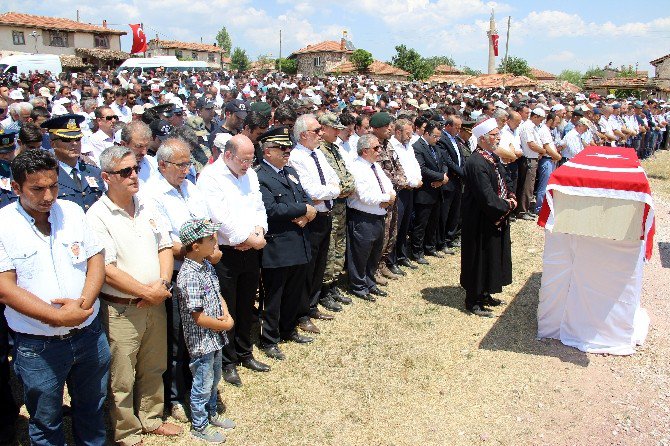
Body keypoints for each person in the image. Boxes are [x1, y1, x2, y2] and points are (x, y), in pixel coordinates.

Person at [0, 149, 110, 446]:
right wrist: (58, 317)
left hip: (88, 335)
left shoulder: (72, 211)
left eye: (53, 186)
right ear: (15, 188)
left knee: (92, 410)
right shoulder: (3, 224)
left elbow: (95, 258)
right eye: (37, 189)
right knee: (46, 421)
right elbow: (5, 287)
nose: (48, 196)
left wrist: (83, 304)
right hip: (39, 346)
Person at [86, 145, 180, 446]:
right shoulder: (97, 215)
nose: (133, 176)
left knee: (154, 365)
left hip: (155, 300)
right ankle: (125, 432)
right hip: (122, 308)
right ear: (106, 177)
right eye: (125, 172)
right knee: (121, 375)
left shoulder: (147, 205)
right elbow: (107, 269)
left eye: (135, 169)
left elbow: (165, 246)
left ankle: (151, 418)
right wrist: (145, 292)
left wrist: (162, 285)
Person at [145, 138, 218, 422]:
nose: (187, 169)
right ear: (162, 165)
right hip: (179, 272)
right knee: (178, 338)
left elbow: (207, 223)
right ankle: (175, 397)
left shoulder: (190, 188)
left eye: (189, 163)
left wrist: (211, 248)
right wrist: (205, 251)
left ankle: (198, 389)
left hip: (203, 267)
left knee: (200, 334)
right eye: (181, 164)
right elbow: (166, 241)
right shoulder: (153, 194)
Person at [197, 134, 269, 387]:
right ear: (227, 155)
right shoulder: (210, 177)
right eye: (243, 159)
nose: (248, 164)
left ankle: (244, 352)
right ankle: (227, 361)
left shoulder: (249, 174)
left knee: (247, 303)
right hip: (226, 253)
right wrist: (248, 237)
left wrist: (259, 232)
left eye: (251, 159)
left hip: (250, 248)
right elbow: (220, 217)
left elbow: (258, 206)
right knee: (227, 306)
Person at [255, 127, 316, 360]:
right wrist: (303, 209)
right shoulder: (261, 176)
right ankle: (269, 338)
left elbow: (306, 197)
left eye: (288, 147)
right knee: (274, 296)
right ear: (268, 151)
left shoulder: (289, 172)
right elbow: (270, 209)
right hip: (278, 246)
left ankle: (288, 329)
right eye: (282, 148)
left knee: (293, 292)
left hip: (298, 241)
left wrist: (308, 213)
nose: (287, 152)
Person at [176, 219, 236, 443]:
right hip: (202, 342)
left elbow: (217, 294)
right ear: (195, 246)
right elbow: (198, 317)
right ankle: (200, 425)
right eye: (211, 239)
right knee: (202, 382)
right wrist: (226, 325)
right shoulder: (189, 276)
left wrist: (226, 313)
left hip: (215, 337)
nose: (215, 241)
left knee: (214, 378)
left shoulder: (207, 266)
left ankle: (212, 413)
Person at [287, 114, 341, 334]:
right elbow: (310, 191)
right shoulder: (296, 157)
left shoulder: (318, 154)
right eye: (317, 131)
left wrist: (330, 191)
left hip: (325, 214)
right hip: (311, 219)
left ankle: (312, 305)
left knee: (320, 265)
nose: (321, 134)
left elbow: (335, 183)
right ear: (303, 135)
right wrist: (330, 191)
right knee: (307, 269)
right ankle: (302, 313)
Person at [460, 118, 516, 317]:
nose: (498, 138)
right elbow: (486, 196)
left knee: (491, 256)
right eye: (494, 135)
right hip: (480, 219)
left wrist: (511, 196)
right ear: (483, 139)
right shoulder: (476, 163)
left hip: (493, 218)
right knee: (478, 258)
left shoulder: (492, 157)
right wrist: (506, 206)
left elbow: (505, 179)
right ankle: (473, 299)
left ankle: (485, 292)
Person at [346, 134, 394, 301]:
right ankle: (358, 286)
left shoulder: (375, 166)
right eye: (376, 148)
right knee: (360, 254)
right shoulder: (357, 168)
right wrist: (386, 198)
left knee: (374, 253)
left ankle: (370, 282)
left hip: (378, 216)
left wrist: (389, 196)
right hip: (363, 217)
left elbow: (388, 185)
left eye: (380, 147)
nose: (380, 151)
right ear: (365, 151)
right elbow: (365, 196)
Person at [317, 112, 356, 310]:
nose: (338, 132)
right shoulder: (319, 151)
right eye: (335, 128)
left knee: (340, 244)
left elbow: (347, 174)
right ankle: (324, 289)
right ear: (323, 129)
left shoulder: (334, 149)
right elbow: (333, 181)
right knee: (330, 247)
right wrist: (343, 188)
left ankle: (333, 284)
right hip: (331, 205)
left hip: (341, 205)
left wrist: (348, 187)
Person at [41, 114, 104, 212]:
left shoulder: (94, 172)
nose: (74, 143)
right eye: (67, 140)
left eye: (78, 139)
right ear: (53, 143)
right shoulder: (46, 175)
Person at [410, 121, 449, 265]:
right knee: (421, 223)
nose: (437, 139)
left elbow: (443, 163)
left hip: (437, 190)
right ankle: (417, 252)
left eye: (439, 136)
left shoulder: (435, 147)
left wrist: (443, 178)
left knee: (433, 221)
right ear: (426, 133)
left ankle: (429, 247)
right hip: (424, 191)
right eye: (435, 136)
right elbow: (422, 168)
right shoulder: (417, 147)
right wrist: (440, 177)